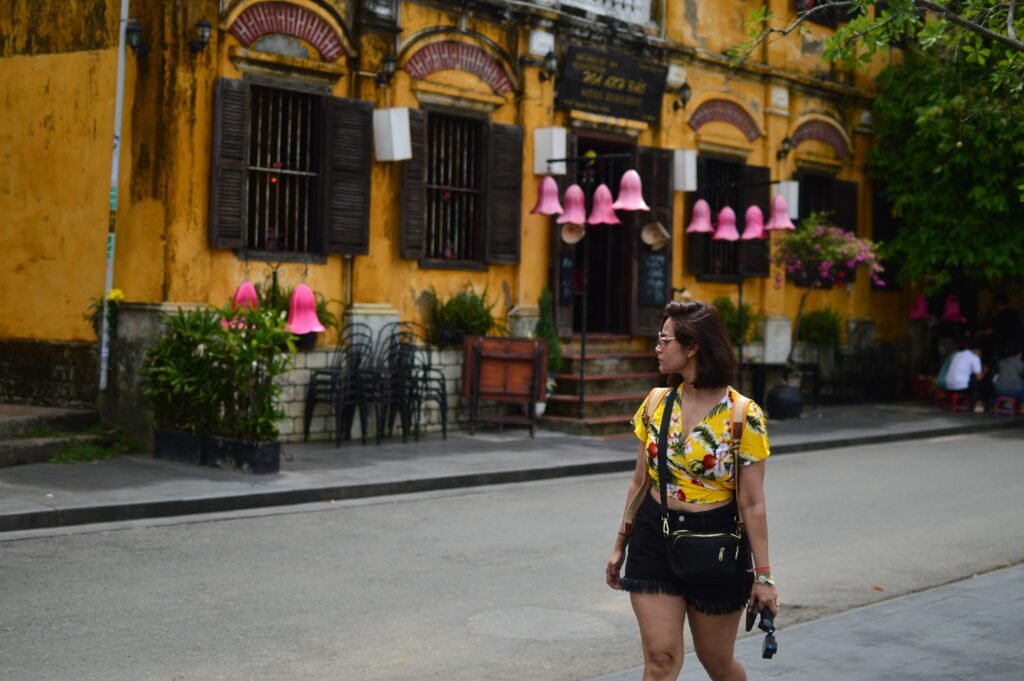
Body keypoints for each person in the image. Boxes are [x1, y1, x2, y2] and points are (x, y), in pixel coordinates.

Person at [605, 301, 777, 681]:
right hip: (654, 538)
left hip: (717, 544)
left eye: (665, 340)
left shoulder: (743, 415)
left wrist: (763, 577)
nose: (658, 347)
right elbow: (639, 482)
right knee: (661, 661)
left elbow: (752, 502)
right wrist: (621, 542)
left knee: (717, 662)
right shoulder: (655, 404)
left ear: (693, 346)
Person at [944, 341, 987, 412]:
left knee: (972, 381)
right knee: (983, 382)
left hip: (948, 385)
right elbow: (979, 378)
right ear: (979, 352)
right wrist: (985, 371)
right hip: (961, 387)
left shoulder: (957, 354)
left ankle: (967, 402)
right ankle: (979, 405)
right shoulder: (975, 357)